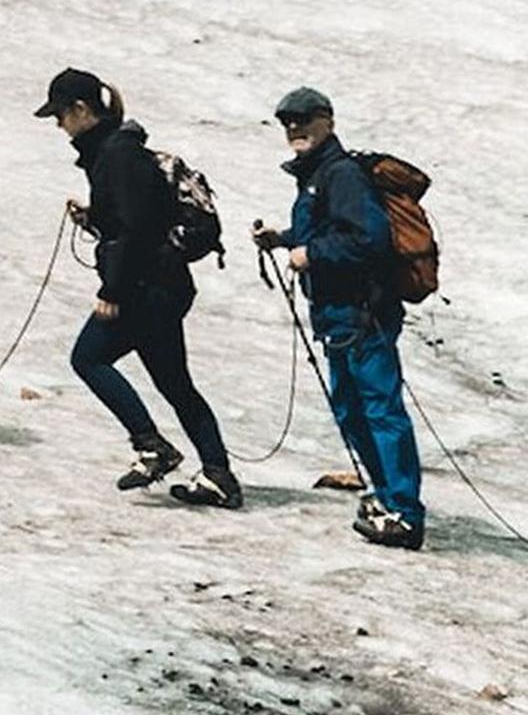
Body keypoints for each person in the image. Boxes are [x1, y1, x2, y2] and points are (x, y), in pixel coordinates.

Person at [37, 68, 239, 508]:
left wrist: (112, 290)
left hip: (145, 288)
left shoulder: (116, 156)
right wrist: (93, 218)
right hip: (162, 285)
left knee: (88, 358)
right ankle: (219, 473)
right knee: (174, 382)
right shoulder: (114, 152)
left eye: (60, 115)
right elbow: (136, 219)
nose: (58, 125)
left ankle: (152, 447)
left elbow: (135, 231)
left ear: (81, 109)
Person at [250, 86, 424, 550]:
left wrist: (310, 253)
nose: (294, 127)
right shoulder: (319, 175)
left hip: (362, 313)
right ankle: (387, 498)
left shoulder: (341, 174)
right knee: (352, 409)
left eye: (304, 118)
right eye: (286, 120)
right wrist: (286, 239)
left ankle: (405, 513)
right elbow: (332, 232)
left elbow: (369, 239)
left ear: (327, 119)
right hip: (339, 315)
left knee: (380, 409)